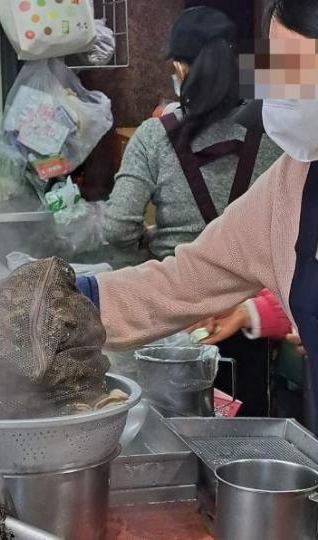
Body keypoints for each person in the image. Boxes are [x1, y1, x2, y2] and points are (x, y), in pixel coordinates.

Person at [75, 0, 318, 431]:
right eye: (276, 70)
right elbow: (185, 279)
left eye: (295, 71)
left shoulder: (156, 137)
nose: (280, 94)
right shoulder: (294, 176)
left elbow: (118, 226)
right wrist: (72, 301)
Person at [102, 7, 282, 260]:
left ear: (180, 68)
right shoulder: (274, 127)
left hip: (177, 287)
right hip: (256, 290)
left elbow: (117, 229)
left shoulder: (153, 136)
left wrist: (152, 238)